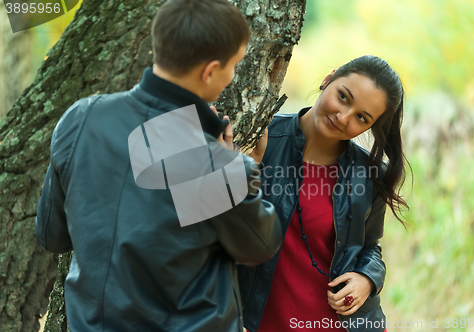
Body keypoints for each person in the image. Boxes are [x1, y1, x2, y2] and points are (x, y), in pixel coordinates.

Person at [35, 0, 282, 331]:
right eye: (234, 65)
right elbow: (260, 245)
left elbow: (52, 235)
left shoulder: (81, 118)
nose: (233, 75)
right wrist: (235, 164)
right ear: (210, 70)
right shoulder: (214, 164)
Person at [239, 55, 410, 332]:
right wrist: (248, 170)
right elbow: (214, 222)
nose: (343, 118)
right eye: (343, 97)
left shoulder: (369, 174)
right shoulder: (260, 138)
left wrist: (367, 278)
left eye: (361, 117)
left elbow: (369, 247)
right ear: (328, 79)